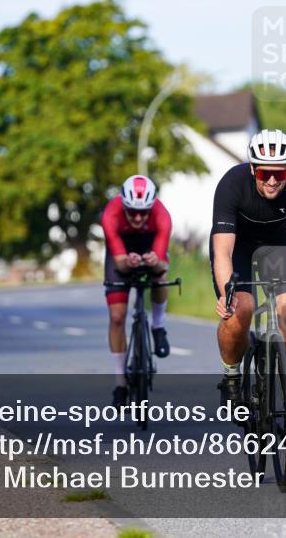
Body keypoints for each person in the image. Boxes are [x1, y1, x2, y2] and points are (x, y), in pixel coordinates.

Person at [211, 129, 286, 440]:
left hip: (279, 245)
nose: (273, 180)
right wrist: (226, 293)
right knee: (241, 308)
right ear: (253, 169)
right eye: (265, 173)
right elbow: (222, 251)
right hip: (238, 247)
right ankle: (231, 377)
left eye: (281, 173)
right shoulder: (232, 184)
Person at [101, 174, 172, 407]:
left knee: (161, 277)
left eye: (144, 212)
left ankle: (158, 326)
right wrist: (127, 261)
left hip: (151, 246)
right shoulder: (110, 215)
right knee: (117, 316)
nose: (138, 217)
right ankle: (120, 382)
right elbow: (120, 265)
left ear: (151, 207)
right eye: (132, 212)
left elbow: (161, 265)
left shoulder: (162, 216)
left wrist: (155, 261)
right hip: (121, 252)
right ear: (123, 206)